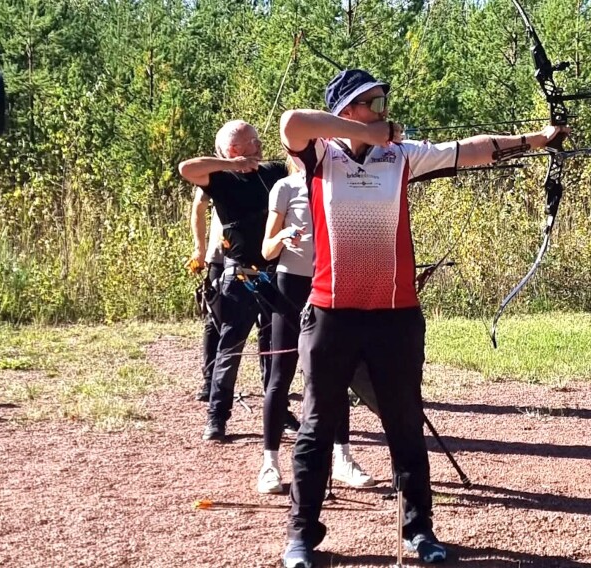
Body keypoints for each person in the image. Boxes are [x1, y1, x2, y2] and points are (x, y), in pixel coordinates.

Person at [278, 68, 567, 568]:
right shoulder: (322, 155)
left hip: (395, 317)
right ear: (348, 110)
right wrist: (367, 134)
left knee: (405, 423)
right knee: (317, 426)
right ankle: (302, 535)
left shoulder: (402, 156)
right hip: (331, 313)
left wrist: (536, 140)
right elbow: (292, 123)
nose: (385, 111)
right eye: (375, 103)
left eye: (385, 103)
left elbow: (470, 149)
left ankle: (419, 529)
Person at [257, 156, 375, 494]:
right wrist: (284, 236)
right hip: (290, 285)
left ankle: (342, 458)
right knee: (280, 374)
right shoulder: (285, 187)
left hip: (331, 284)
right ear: (290, 151)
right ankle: (270, 464)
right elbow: (266, 251)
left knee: (334, 373)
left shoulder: (342, 181)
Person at [178, 119, 287, 442]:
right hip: (240, 276)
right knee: (230, 347)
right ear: (236, 149)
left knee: (275, 349)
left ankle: (277, 412)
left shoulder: (274, 172)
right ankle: (217, 416)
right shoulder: (221, 179)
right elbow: (186, 168)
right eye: (253, 141)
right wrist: (231, 165)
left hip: (274, 274)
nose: (260, 145)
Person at [189, 202, 225, 403]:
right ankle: (210, 380)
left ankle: (270, 382)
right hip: (219, 255)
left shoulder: (273, 170)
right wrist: (199, 249)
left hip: (260, 256)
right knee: (214, 319)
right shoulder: (215, 170)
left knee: (267, 323)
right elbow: (198, 206)